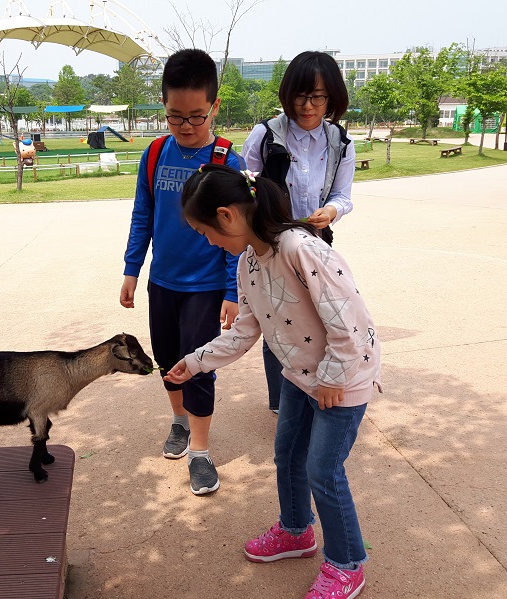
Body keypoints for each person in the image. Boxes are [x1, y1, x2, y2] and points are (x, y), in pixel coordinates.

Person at [165, 164, 381, 598]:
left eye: (205, 231)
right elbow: (245, 331)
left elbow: (348, 319)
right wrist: (195, 362)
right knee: (286, 456)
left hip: (343, 378)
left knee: (323, 469)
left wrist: (334, 377)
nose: (207, 241)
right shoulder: (248, 263)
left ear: (227, 215)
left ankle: (347, 564)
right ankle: (297, 531)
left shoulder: (301, 248)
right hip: (300, 378)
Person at [119, 49, 245, 496]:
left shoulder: (227, 159)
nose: (186, 126)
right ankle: (179, 421)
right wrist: (132, 268)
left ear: (213, 106)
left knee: (200, 365)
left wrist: (232, 290)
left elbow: (237, 228)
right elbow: (143, 214)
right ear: (163, 107)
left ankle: (201, 451)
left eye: (196, 116)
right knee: (168, 358)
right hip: (162, 282)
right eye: (174, 116)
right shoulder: (155, 153)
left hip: (207, 287)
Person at [241, 51, 355, 413]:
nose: (308, 106)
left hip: (315, 247)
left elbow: (343, 195)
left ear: (331, 98)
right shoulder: (265, 135)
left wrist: (332, 210)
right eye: (300, 96)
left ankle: (318, 386)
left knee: (321, 315)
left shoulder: (339, 142)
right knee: (276, 322)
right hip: (272, 246)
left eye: (318, 97)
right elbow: (246, 188)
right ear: (287, 95)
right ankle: (282, 402)